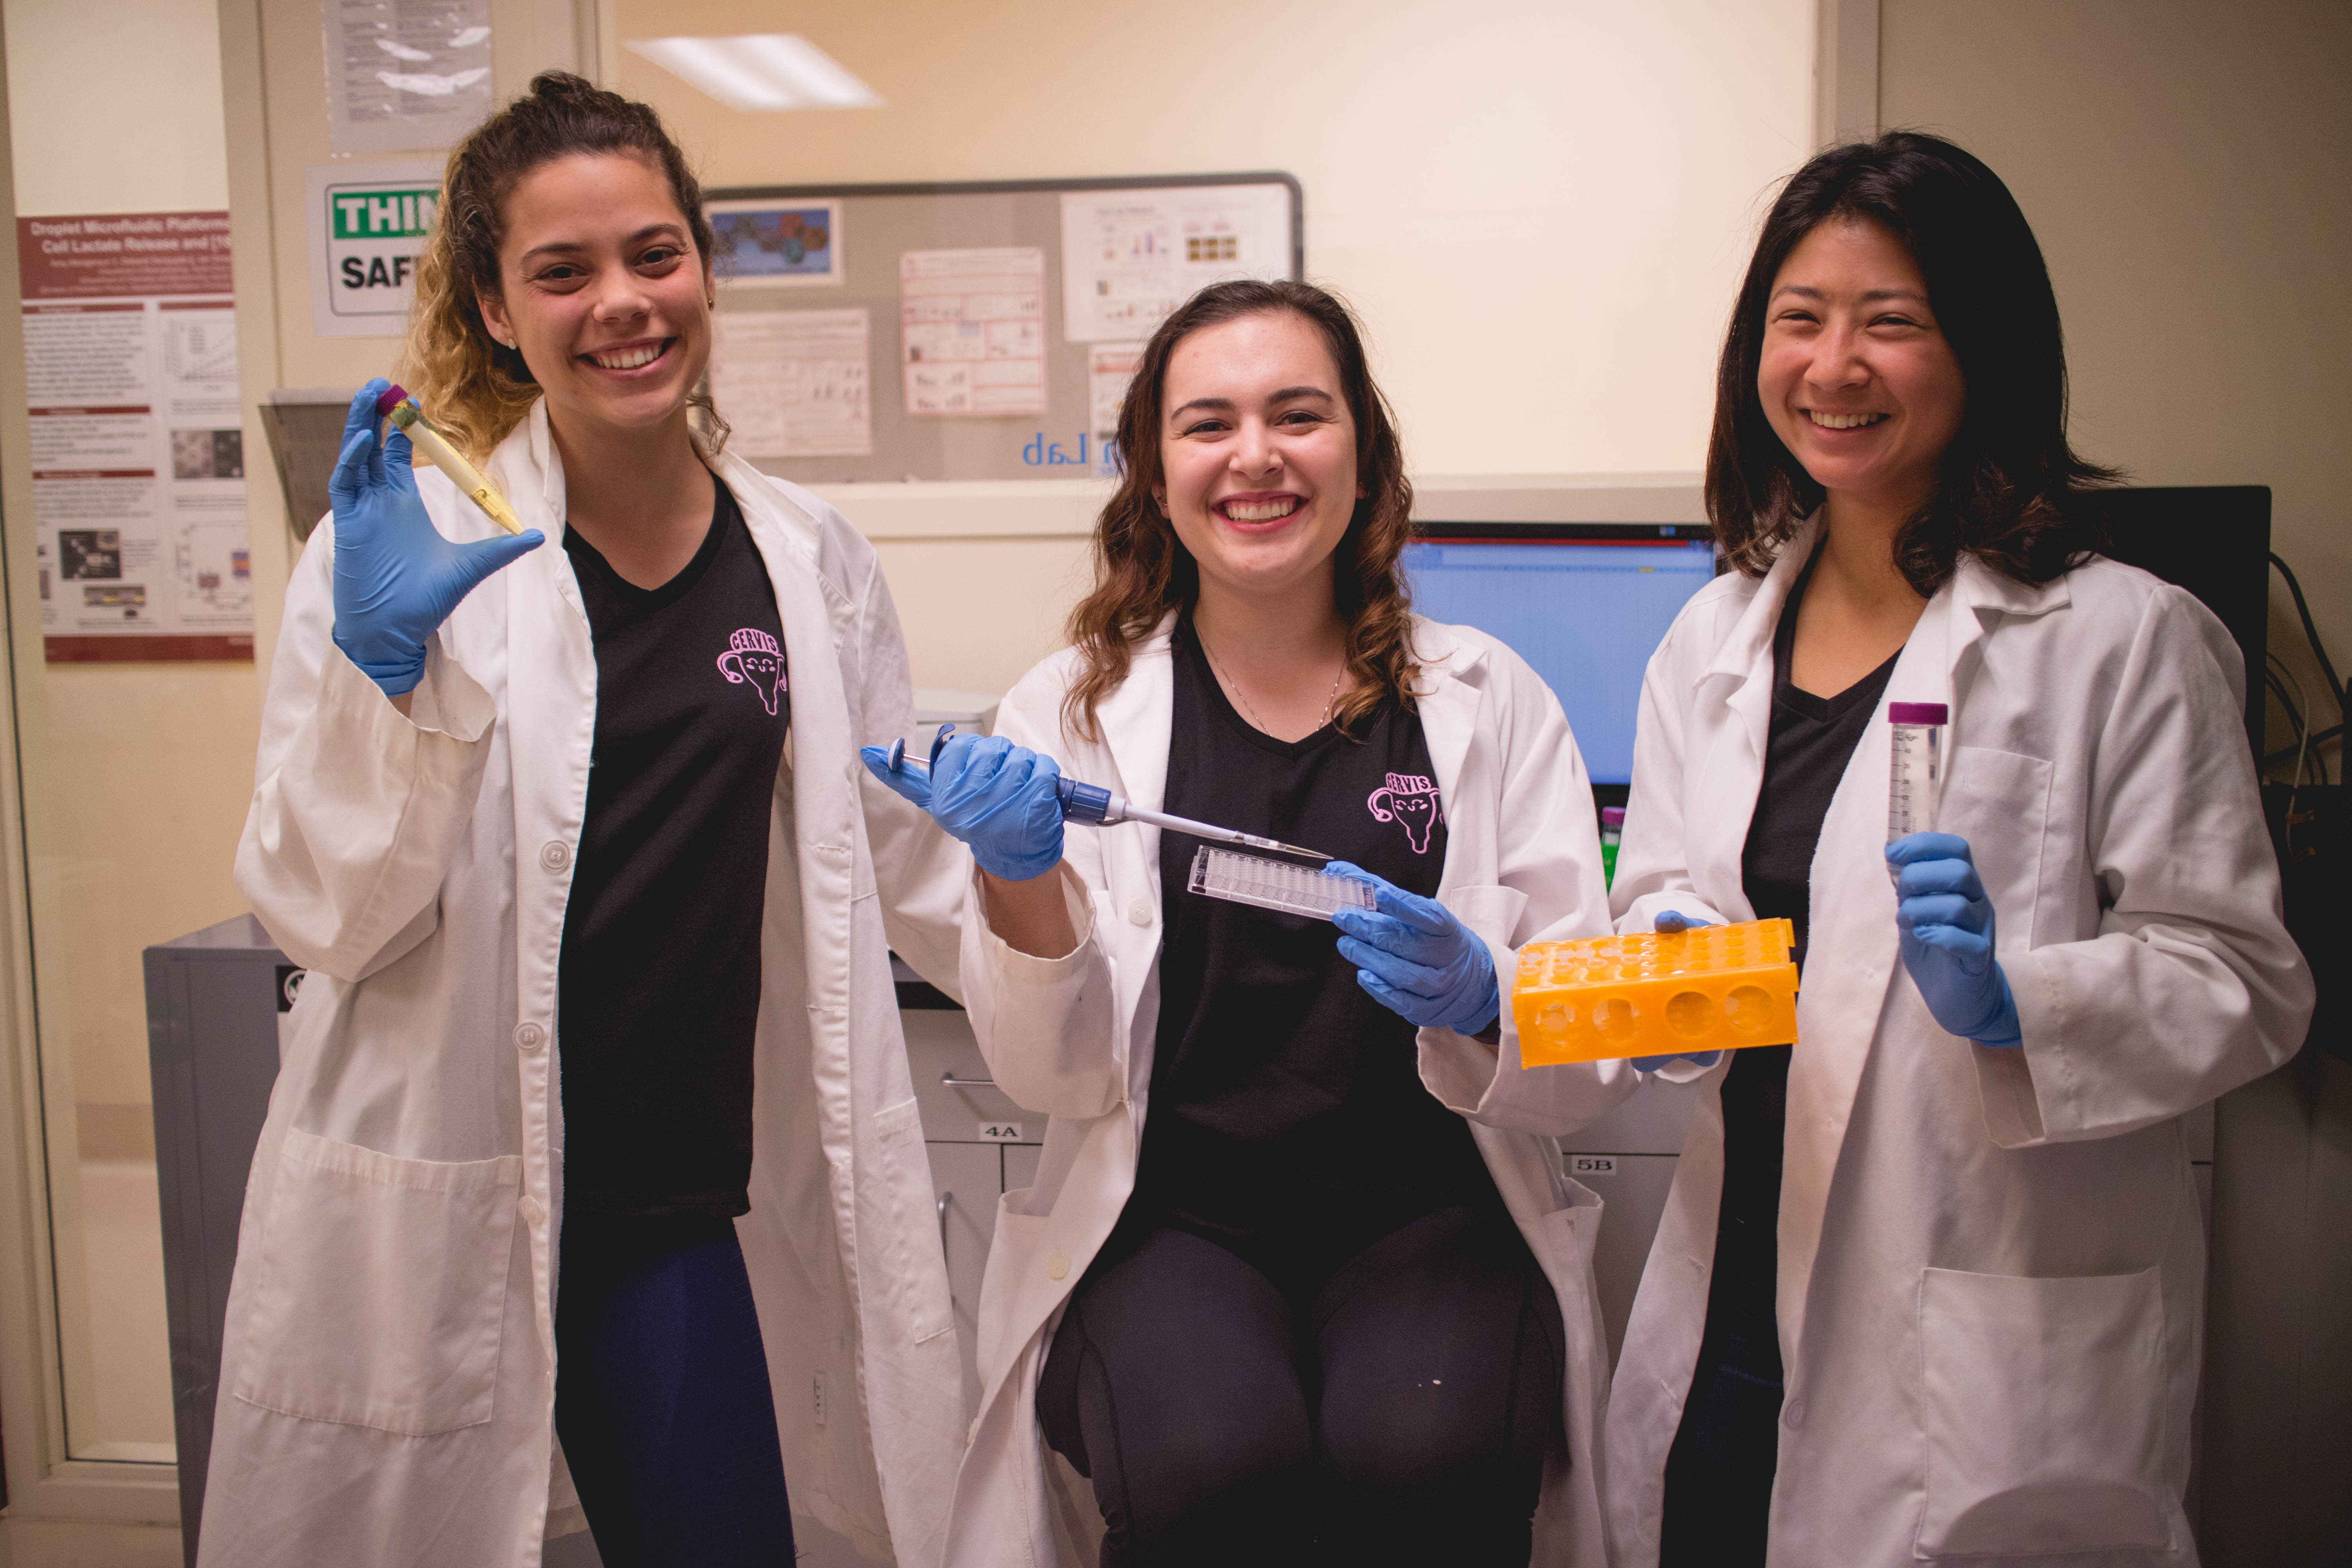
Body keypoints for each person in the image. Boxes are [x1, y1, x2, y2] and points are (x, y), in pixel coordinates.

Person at [216, 72, 967, 1568]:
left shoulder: (806, 559)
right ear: (497, 309)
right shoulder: (400, 549)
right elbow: (320, 913)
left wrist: (1020, 862)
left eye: (654, 254)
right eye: (562, 272)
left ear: (704, 265)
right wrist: (382, 679)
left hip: (668, 1206)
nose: (623, 303)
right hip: (450, 1180)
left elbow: (898, 854)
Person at [1603, 131, 2314, 1568]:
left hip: (1980, 1313)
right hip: (1738, 1280)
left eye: (1893, 321)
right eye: (1798, 320)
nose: (1833, 365)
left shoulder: (2125, 638)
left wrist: (2024, 1003)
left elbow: (2246, 979)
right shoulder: (1713, 640)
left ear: (1983, 346)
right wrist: (1668, 959)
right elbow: (1669, 896)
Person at [866, 279, 1622, 1566]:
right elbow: (1056, 1075)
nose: (1255, 456)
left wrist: (1489, 995)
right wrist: (1020, 879)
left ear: (1363, 456)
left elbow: (1590, 1045)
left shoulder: (1491, 702)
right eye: (1208, 423)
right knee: (1214, 1470)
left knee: (1425, 1456)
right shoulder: (1075, 709)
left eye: (1298, 415)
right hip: (1171, 1217)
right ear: (1156, 474)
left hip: (1431, 1211)